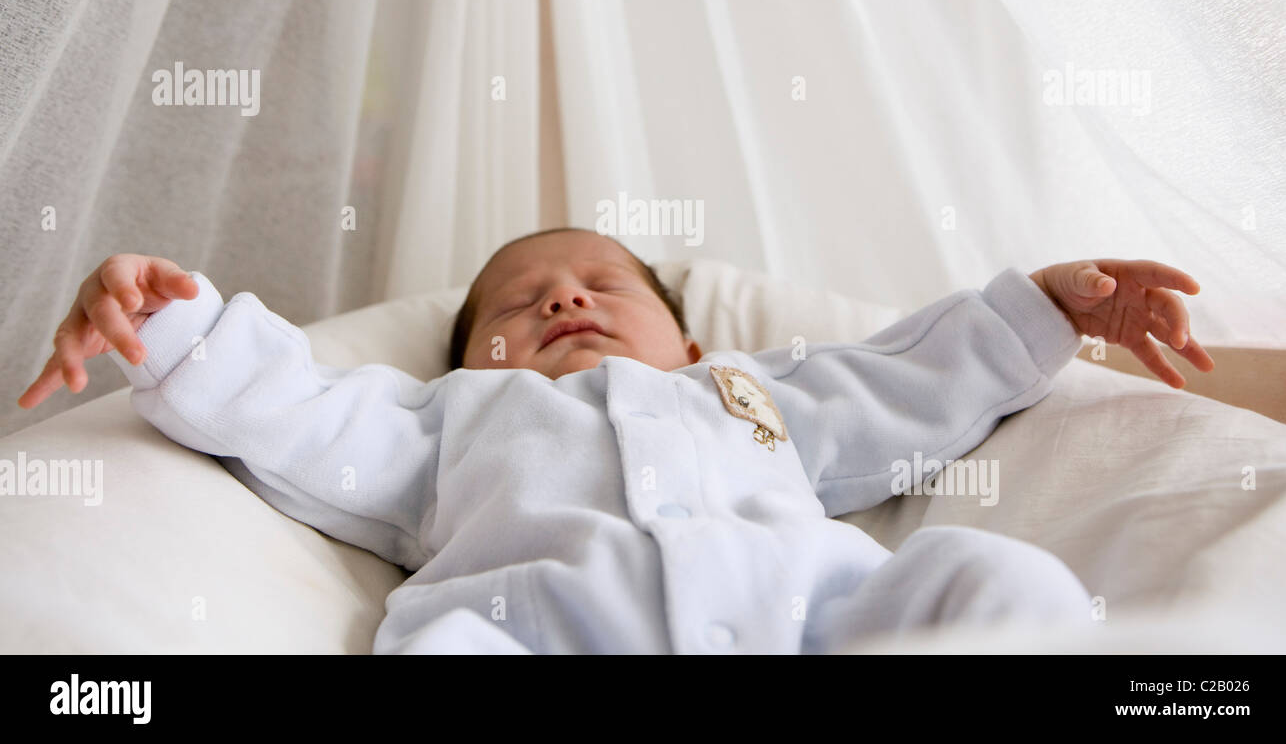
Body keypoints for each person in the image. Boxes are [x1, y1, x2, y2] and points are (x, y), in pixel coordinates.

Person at [16, 230, 1214, 653]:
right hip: (536, 631)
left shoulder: (753, 393)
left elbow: (903, 380)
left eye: (600, 283)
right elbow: (305, 413)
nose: (563, 302)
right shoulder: (446, 421)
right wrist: (170, 325)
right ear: (462, 359)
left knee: (984, 582)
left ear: (690, 345)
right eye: (518, 302)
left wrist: (1042, 311)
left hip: (812, 621)